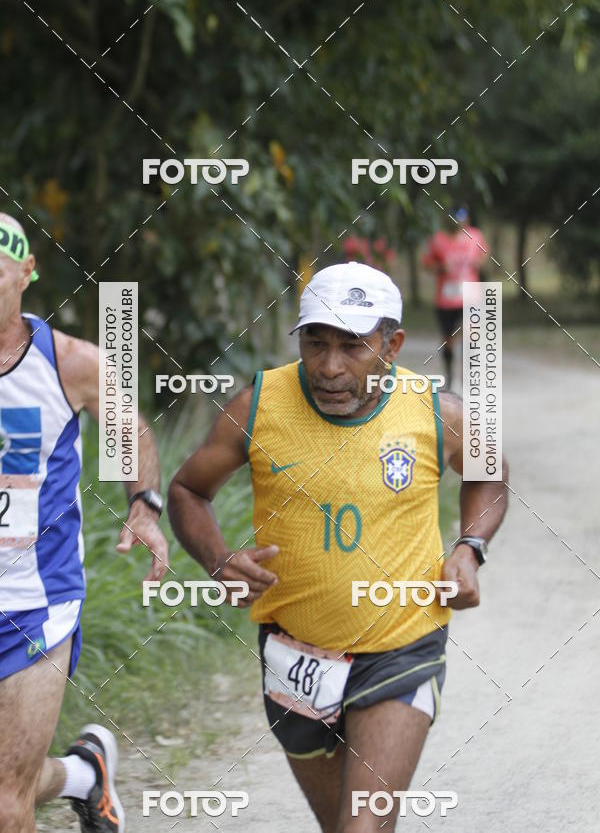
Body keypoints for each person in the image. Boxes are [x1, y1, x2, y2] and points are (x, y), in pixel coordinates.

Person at [168, 261, 508, 832]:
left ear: (392, 344)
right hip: (294, 655)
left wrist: (470, 547)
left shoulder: (433, 410)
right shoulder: (256, 406)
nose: (329, 367)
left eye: (352, 347)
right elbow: (187, 490)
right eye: (315, 343)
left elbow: (490, 473)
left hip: (402, 646)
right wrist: (219, 559)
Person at [0, 213, 169, 833]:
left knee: (3, 800)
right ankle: (85, 775)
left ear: (25, 274)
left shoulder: (69, 362)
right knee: (8, 778)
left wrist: (144, 506)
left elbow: (132, 430)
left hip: (35, 600)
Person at [421, 206, 489, 389]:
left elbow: (484, 258)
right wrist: (441, 269)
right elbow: (426, 263)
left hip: (470, 296)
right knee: (448, 339)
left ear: (466, 220)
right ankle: (450, 377)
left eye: (461, 219)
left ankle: (472, 377)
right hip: (446, 299)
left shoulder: (475, 236)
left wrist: (478, 264)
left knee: (471, 334)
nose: (458, 223)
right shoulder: (438, 240)